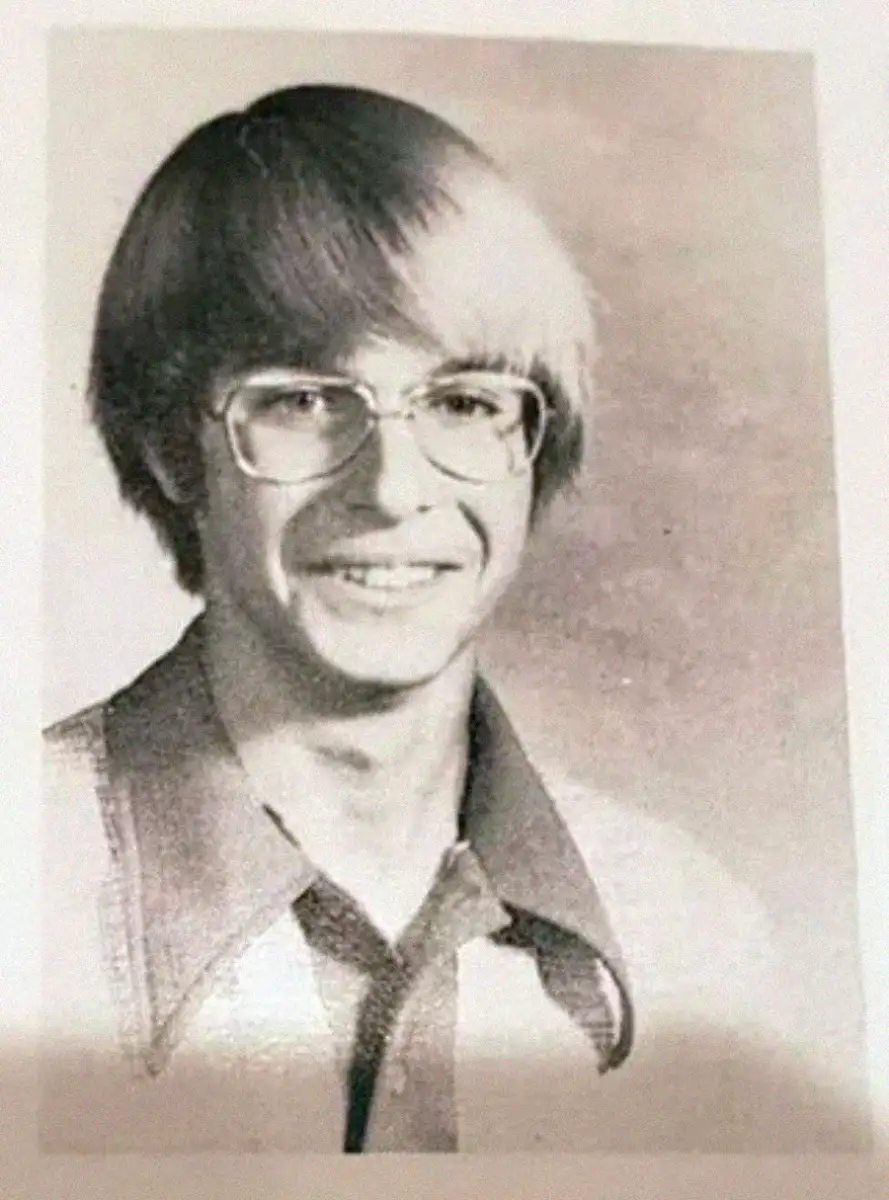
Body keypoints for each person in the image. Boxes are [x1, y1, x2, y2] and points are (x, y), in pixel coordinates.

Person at [42, 83, 804, 1154]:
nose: (395, 489)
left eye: (464, 402)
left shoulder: (694, 938)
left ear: (530, 448)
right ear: (177, 448)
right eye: (303, 399)